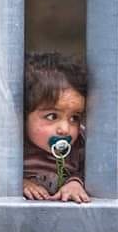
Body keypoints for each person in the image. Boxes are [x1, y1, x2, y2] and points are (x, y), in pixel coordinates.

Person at [22, 52, 91, 203]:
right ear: (24, 115)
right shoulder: (12, 150)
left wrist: (75, 183)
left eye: (74, 118)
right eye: (52, 116)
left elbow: (92, 174)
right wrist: (19, 185)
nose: (65, 129)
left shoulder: (79, 145)